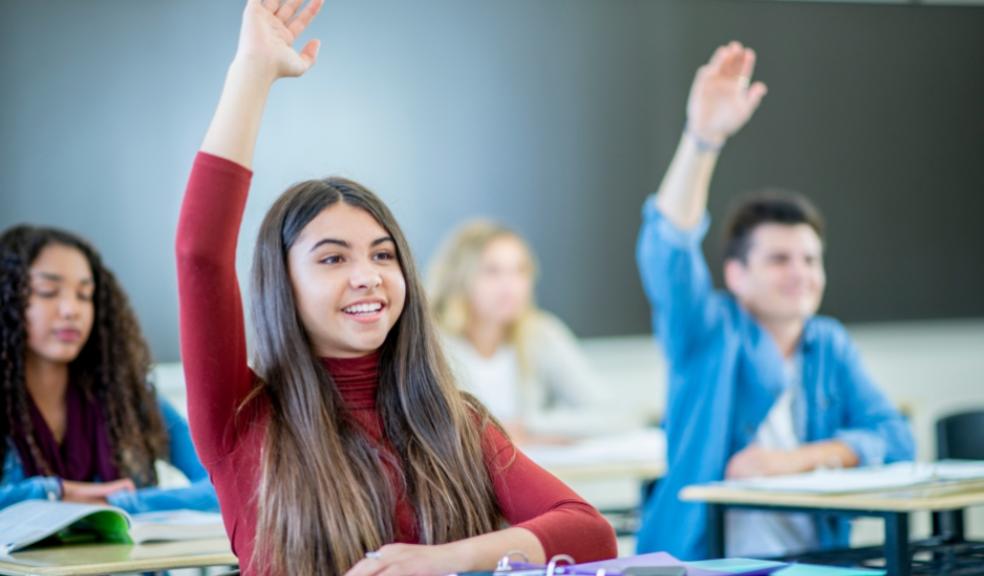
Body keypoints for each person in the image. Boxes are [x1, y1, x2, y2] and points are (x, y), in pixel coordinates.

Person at [175, 1, 617, 575]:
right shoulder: (242, 417)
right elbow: (200, 255)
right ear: (282, 285)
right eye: (332, 258)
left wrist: (444, 560)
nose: (367, 275)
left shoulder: (451, 419)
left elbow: (589, 531)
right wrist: (252, 74)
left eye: (383, 255)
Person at [634, 42, 914, 560]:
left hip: (815, 562)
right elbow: (667, 249)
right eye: (780, 260)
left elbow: (896, 438)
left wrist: (799, 459)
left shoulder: (827, 341)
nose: (801, 275)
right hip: (702, 559)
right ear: (736, 275)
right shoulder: (707, 331)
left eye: (810, 260)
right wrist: (702, 140)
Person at [0, 225, 218, 514]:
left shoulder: (126, 398)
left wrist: (119, 503)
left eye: (84, 295)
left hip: (125, 561)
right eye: (48, 292)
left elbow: (222, 487)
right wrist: (53, 492)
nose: (71, 310)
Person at [428, 220, 614, 445]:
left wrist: (530, 427)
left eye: (520, 271)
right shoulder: (430, 341)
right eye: (492, 271)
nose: (511, 285)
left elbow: (609, 413)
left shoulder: (542, 334)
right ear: (459, 277)